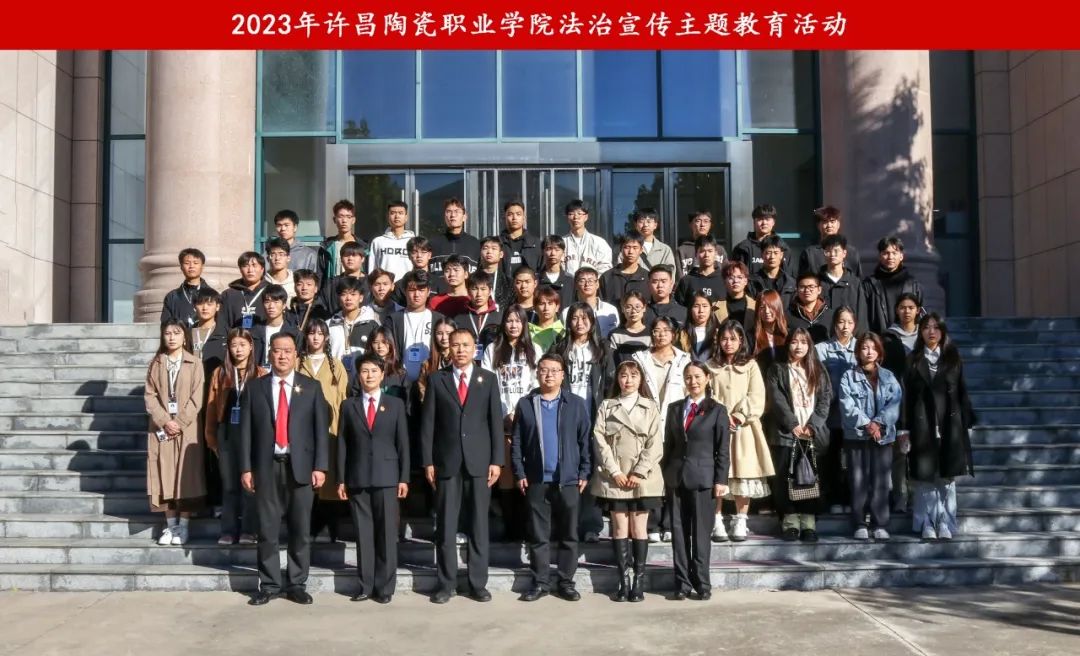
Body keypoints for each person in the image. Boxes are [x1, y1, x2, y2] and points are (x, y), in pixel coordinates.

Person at [240, 332, 329, 606]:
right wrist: (246, 468)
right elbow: (245, 432)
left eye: (288, 351)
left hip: (300, 468)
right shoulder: (255, 388)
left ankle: (296, 583)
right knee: (267, 530)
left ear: (296, 355)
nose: (282, 356)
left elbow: (320, 431)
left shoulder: (311, 387)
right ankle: (269, 584)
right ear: (270, 354)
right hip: (266, 468)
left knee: (300, 529)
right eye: (277, 350)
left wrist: (321, 466)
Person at [421, 329, 504, 604]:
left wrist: (497, 460)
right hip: (447, 463)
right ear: (449, 348)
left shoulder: (487, 379)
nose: (460, 350)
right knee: (445, 526)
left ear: (474, 348)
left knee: (478, 525)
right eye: (455, 345)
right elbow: (428, 424)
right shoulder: (437, 380)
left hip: (479, 463)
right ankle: (446, 584)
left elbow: (495, 422)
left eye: (466, 345)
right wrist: (428, 461)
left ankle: (478, 583)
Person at [511, 353, 593, 602]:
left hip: (568, 480)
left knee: (569, 535)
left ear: (563, 375)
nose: (549, 375)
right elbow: (517, 442)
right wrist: (519, 472)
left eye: (555, 370)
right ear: (537, 373)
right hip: (536, 479)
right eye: (544, 370)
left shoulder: (575, 404)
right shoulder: (526, 403)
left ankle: (566, 582)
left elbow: (585, 441)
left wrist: (584, 471)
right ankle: (541, 582)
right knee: (539, 536)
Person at [336, 351, 410, 604]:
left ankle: (385, 587)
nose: (369, 375)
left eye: (374, 371)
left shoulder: (395, 405)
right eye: (364, 371)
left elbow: (403, 443)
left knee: (387, 535)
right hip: (358, 477)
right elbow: (343, 444)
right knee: (363, 534)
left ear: (382, 374)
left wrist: (404, 477)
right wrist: (341, 479)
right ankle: (365, 585)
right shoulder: (349, 406)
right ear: (358, 375)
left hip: (387, 477)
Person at [592, 360, 663, 603]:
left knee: (639, 528)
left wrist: (639, 472)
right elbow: (599, 440)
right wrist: (614, 471)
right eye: (623, 375)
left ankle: (638, 582)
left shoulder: (650, 406)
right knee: (620, 528)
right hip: (615, 478)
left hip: (642, 477)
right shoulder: (607, 405)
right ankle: (623, 581)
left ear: (641, 379)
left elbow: (655, 442)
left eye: (633, 375)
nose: (628, 380)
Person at [901, 314, 977, 541]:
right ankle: (926, 522)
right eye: (926, 327)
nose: (931, 332)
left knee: (947, 476)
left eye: (936, 327)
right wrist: (903, 428)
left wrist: (966, 422)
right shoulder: (913, 359)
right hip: (922, 424)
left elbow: (962, 391)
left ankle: (945, 521)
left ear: (942, 332)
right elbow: (906, 397)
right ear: (921, 332)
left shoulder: (952, 358)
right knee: (925, 476)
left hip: (949, 424)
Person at [661, 361, 731, 600]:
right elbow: (669, 446)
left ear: (707, 378)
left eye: (698, 376)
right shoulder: (674, 408)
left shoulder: (717, 410)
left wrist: (721, 479)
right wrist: (665, 475)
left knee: (701, 534)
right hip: (676, 478)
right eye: (689, 377)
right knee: (679, 533)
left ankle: (702, 583)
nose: (693, 381)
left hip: (704, 479)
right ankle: (682, 583)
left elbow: (723, 449)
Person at [550, 302, 613, 544]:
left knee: (591, 472)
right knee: (565, 472)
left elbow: (609, 383)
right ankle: (565, 525)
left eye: (584, 318)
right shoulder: (560, 347)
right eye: (575, 318)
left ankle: (590, 526)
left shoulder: (602, 348)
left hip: (593, 415)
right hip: (566, 415)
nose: (579, 322)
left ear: (592, 321)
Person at [706, 320, 774, 542]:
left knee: (744, 472)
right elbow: (706, 394)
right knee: (717, 473)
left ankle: (740, 520)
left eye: (733, 339)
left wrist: (738, 415)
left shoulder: (751, 365)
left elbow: (757, 395)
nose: (728, 343)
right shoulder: (710, 366)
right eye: (724, 338)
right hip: (716, 428)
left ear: (741, 340)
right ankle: (716, 519)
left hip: (744, 428)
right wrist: (719, 416)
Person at [764, 327, 832, 542]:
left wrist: (812, 425)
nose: (799, 346)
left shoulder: (818, 369)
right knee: (785, 478)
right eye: (794, 342)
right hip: (786, 433)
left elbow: (825, 399)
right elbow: (776, 398)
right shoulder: (777, 369)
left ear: (809, 345)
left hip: (812, 434)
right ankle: (790, 522)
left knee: (811, 479)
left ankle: (809, 522)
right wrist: (792, 424)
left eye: (803, 342)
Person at [481, 305, 542, 541]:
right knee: (506, 475)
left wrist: (520, 410)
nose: (513, 325)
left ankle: (527, 528)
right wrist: (504, 413)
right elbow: (488, 384)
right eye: (509, 320)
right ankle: (511, 529)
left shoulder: (534, 349)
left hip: (527, 419)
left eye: (518, 321)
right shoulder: (492, 349)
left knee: (525, 474)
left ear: (524, 324)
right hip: (501, 421)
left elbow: (537, 384)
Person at [144, 320, 206, 546]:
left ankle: (184, 527)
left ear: (184, 337)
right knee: (164, 475)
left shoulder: (194, 363)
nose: (171, 337)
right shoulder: (156, 363)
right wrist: (164, 421)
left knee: (186, 476)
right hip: (161, 429)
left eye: (176, 333)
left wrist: (179, 422)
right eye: (167, 333)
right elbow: (150, 396)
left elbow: (197, 397)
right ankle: (170, 527)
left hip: (186, 428)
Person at [632, 316, 692, 543]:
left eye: (666, 330)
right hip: (647, 425)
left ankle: (669, 523)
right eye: (656, 330)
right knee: (650, 475)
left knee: (672, 475)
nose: (660, 335)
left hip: (675, 424)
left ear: (674, 334)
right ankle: (652, 524)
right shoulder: (640, 358)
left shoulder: (684, 360)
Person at [205, 328, 267, 545]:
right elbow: (211, 408)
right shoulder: (220, 373)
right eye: (234, 345)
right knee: (229, 485)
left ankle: (249, 530)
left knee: (250, 484)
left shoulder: (261, 374)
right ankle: (228, 530)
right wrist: (211, 438)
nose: (238, 350)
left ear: (251, 347)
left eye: (242, 345)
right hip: (227, 434)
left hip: (252, 436)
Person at [840, 332, 903, 541]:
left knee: (881, 482)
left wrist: (878, 423)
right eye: (865, 348)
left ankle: (879, 523)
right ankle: (859, 522)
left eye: (873, 348)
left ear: (879, 352)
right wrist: (867, 424)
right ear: (858, 351)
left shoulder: (888, 377)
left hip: (882, 436)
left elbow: (894, 403)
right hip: (857, 436)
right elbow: (847, 405)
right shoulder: (849, 376)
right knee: (858, 481)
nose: (869, 352)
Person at [297, 319, 349, 544]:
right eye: (312, 333)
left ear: (327, 337)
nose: (316, 337)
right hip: (302, 430)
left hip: (330, 429)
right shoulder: (298, 363)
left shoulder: (336, 365)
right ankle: (306, 528)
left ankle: (328, 528)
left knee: (328, 481)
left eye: (320, 333)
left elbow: (343, 398)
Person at [815, 307, 859, 512]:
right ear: (834, 324)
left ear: (855, 325)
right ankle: (833, 499)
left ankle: (851, 499)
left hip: (854, 416)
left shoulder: (861, 347)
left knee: (852, 460)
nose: (845, 327)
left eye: (849, 322)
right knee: (831, 458)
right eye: (841, 322)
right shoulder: (821, 349)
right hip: (829, 415)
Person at [883, 292, 922, 513]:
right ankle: (900, 496)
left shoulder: (925, 335)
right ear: (896, 310)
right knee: (899, 452)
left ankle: (917, 497)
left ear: (918, 310)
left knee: (917, 452)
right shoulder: (889, 337)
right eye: (902, 307)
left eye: (911, 307)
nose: (906, 311)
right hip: (897, 401)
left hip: (920, 402)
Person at [387, 270, 445, 384]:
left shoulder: (439, 319)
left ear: (428, 291)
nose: (416, 295)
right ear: (405, 291)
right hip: (400, 383)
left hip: (431, 381)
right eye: (412, 290)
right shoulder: (393, 320)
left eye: (421, 290)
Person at [862, 235, 924, 335]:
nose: (890, 257)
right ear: (880, 256)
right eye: (886, 253)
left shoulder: (913, 285)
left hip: (907, 339)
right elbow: (863, 317)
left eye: (894, 253)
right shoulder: (869, 285)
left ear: (901, 256)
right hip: (878, 339)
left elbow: (920, 315)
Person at [326, 277, 380, 374]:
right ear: (339, 298)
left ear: (361, 298)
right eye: (344, 294)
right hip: (334, 378)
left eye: (353, 294)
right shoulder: (329, 324)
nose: (348, 298)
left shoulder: (372, 325)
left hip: (362, 378)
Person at [818, 234, 868, 334]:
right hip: (822, 337)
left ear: (844, 253)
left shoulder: (854, 283)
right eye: (828, 251)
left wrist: (858, 339)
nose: (832, 254)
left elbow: (861, 315)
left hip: (850, 338)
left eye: (836, 251)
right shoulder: (817, 282)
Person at [449, 271, 502, 360]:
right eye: (474, 289)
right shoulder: (459, 318)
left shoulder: (500, 317)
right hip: (468, 363)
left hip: (494, 361)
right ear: (468, 291)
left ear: (490, 291)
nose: (479, 294)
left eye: (483, 289)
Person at [798, 206, 862, 278]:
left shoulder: (852, 252)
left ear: (838, 224)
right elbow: (803, 280)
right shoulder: (809, 253)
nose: (829, 225)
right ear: (818, 225)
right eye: (825, 221)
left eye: (832, 221)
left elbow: (857, 280)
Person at [732, 203, 793, 276]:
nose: (764, 223)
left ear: (773, 222)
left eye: (767, 219)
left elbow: (789, 276)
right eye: (760, 219)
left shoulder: (783, 248)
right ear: (754, 222)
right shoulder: (742, 248)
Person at [318, 200, 366, 289]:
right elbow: (320, 275)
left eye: (348, 217)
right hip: (332, 291)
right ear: (334, 219)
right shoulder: (326, 247)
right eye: (340, 216)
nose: (344, 220)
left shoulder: (363, 247)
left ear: (353, 220)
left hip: (357, 291)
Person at [251, 285, 301, 368]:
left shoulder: (294, 333)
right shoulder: (253, 332)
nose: (271, 306)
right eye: (267, 302)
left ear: (284, 305)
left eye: (276, 301)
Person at [428, 197, 481, 274]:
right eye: (449, 211)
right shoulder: (433, 243)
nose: (452, 215)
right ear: (445, 217)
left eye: (457, 211)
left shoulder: (475, 244)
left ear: (464, 217)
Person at [565, 266, 620, 338]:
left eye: (590, 281)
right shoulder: (567, 312)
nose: (587, 284)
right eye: (582, 281)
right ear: (576, 285)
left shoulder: (611, 310)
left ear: (597, 284)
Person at [366, 201, 415, 281]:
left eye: (400, 213)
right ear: (388, 217)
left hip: (408, 286)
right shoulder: (378, 241)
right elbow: (372, 268)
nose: (397, 216)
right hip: (384, 286)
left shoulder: (414, 241)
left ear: (406, 217)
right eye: (393, 213)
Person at [160, 247, 209, 326]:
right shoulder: (172, 297)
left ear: (202, 266)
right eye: (187, 263)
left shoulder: (212, 295)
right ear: (181, 267)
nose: (191, 266)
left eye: (195, 263)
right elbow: (166, 324)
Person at [220, 251, 269, 330]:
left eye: (254, 265)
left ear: (262, 269)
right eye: (245, 266)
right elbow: (222, 324)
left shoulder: (271, 291)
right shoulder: (228, 295)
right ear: (240, 269)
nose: (250, 270)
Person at [562, 199, 612, 275]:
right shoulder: (562, 242)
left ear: (586, 217)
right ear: (567, 217)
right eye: (571, 214)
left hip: (592, 282)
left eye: (579, 213)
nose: (576, 217)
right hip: (567, 282)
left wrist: (591, 280)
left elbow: (605, 268)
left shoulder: (599, 242)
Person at [600, 231, 650, 306]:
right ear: (621, 249)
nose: (631, 252)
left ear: (641, 250)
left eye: (635, 248)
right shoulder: (607, 277)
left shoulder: (648, 277)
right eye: (627, 247)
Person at [318, 240, 368, 316]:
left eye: (354, 255)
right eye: (347, 255)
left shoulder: (371, 282)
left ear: (362, 259)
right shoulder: (331, 284)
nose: (350, 258)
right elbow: (322, 306)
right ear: (341, 259)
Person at [674, 236, 725, 306]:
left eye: (710, 251)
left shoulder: (724, 280)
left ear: (716, 253)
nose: (706, 255)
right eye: (702, 251)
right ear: (696, 254)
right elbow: (679, 308)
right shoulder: (686, 281)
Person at [748, 235, 797, 308]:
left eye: (776, 253)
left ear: (781, 255)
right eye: (768, 252)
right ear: (762, 254)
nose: (772, 257)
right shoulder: (752, 282)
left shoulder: (790, 283)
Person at [711, 260, 757, 336]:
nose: (735, 281)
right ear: (724, 281)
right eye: (731, 278)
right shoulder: (715, 307)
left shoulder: (755, 306)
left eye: (739, 277)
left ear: (745, 281)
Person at [787, 273, 835, 344]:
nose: (807, 290)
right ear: (797, 290)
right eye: (802, 287)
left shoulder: (831, 315)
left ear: (819, 290)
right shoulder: (788, 315)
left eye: (811, 286)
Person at [390, 236, 438, 306]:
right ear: (409, 255)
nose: (419, 256)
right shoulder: (400, 285)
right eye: (414, 252)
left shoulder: (439, 283)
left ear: (429, 255)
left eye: (423, 252)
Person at [189, 288, 227, 377]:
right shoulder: (187, 333)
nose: (205, 308)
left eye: (209, 304)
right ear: (194, 307)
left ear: (217, 307)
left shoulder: (225, 334)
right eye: (200, 303)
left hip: (216, 380)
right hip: (192, 380)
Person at [498, 200, 544, 273]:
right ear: (505, 218)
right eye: (510, 214)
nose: (514, 218)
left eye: (518, 214)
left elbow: (542, 270)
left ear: (524, 218)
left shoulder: (536, 244)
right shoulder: (497, 243)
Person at [608, 291, 652, 366]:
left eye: (637, 307)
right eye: (628, 307)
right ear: (622, 309)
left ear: (644, 308)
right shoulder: (615, 335)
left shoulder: (651, 333)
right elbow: (611, 362)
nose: (633, 311)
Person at [676, 211, 726, 277]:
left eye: (706, 221)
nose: (702, 225)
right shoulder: (682, 250)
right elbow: (679, 278)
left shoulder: (719, 249)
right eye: (698, 221)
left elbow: (727, 274)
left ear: (710, 225)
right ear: (690, 224)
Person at [752, 290, 789, 375]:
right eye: (762, 307)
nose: (767, 311)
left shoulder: (788, 334)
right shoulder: (751, 336)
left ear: (778, 308)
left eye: (771, 307)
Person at [676, 292, 719, 364]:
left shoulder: (718, 334)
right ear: (690, 309)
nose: (701, 311)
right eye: (696, 306)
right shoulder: (681, 334)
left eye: (705, 306)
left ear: (711, 309)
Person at [538, 235, 576, 309]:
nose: (553, 253)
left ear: (563, 253)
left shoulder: (570, 280)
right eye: (549, 249)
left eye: (557, 249)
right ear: (542, 252)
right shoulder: (536, 280)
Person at [479, 236, 514, 311]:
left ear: (501, 254)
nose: (489, 251)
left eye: (494, 248)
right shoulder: (471, 280)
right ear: (480, 253)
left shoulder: (509, 283)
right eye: (485, 248)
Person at [529, 286, 565, 352]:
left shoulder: (563, 333)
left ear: (557, 307)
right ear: (535, 308)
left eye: (550, 304)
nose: (546, 308)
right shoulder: (528, 332)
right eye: (542, 304)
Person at [264, 237, 296, 303]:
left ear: (288, 258)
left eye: (281, 254)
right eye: (273, 254)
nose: (277, 258)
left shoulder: (296, 281)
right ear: (268, 258)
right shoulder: (262, 282)